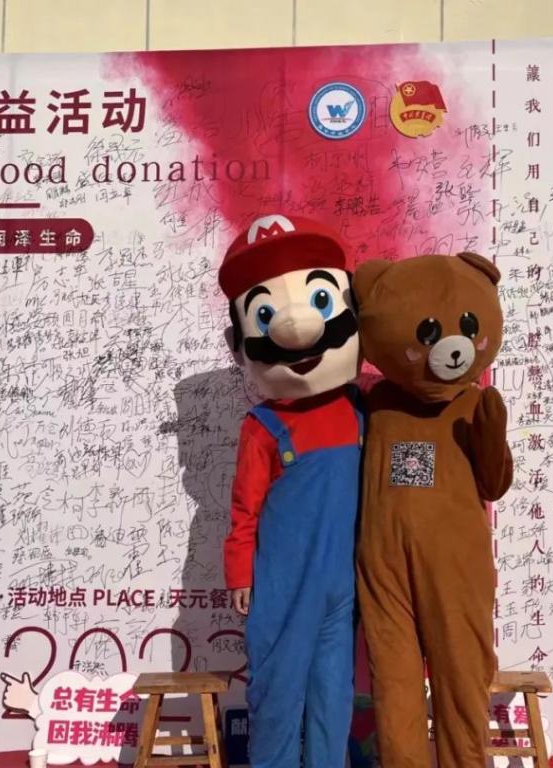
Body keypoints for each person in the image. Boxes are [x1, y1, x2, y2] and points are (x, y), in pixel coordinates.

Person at [219, 214, 362, 768]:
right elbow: (245, 507)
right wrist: (240, 572)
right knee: (278, 695)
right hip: (282, 584)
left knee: (333, 695)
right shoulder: (263, 426)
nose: (297, 329)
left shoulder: (358, 410)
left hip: (341, 584)